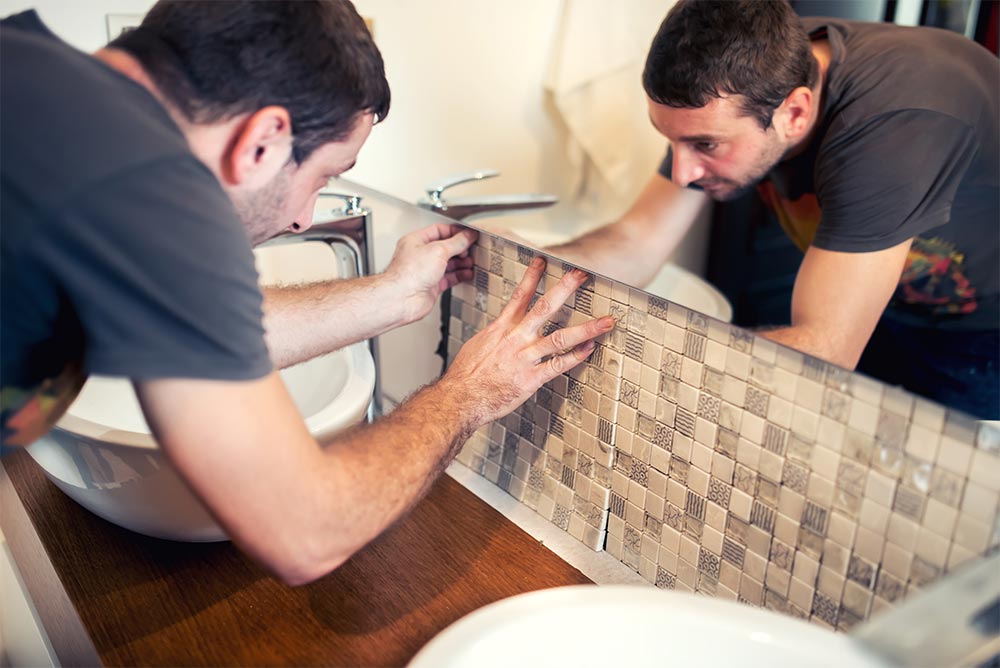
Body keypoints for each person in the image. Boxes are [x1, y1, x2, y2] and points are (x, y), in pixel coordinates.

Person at [0, 1, 614, 585]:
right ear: (263, 139)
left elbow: (184, 331)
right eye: (325, 175)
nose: (302, 218)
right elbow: (307, 530)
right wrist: (470, 393)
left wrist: (394, 295)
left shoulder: (30, 68)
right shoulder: (156, 196)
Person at [547, 0, 999, 419]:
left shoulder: (897, 124)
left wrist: (636, 354)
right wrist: (518, 267)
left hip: (982, 336)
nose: (682, 173)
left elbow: (823, 349)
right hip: (885, 308)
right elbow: (635, 241)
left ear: (796, 114)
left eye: (705, 145)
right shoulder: (743, 72)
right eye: (674, 142)